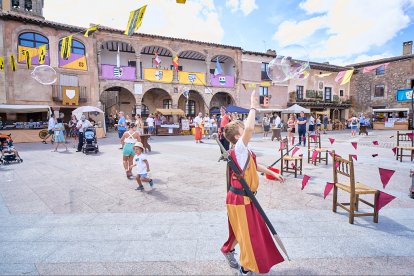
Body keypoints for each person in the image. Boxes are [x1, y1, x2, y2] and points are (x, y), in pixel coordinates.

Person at [221, 90, 285, 275]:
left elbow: (254, 166)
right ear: (236, 137)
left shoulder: (243, 151)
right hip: (240, 199)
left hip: (243, 198)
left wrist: (272, 172)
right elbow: (249, 129)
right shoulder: (239, 148)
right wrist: (253, 105)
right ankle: (245, 267)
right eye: (242, 129)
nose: (247, 130)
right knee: (249, 235)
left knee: (246, 231)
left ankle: (228, 250)